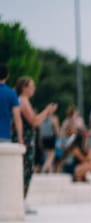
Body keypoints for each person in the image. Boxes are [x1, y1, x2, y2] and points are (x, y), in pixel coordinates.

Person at [12, 77, 57, 214]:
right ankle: (21, 200)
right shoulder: (23, 101)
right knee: (26, 170)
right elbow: (34, 121)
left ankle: (21, 199)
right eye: (31, 86)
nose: (34, 89)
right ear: (24, 88)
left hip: (26, 139)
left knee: (26, 169)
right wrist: (46, 111)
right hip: (25, 140)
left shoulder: (22, 100)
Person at [0, 64, 23, 143]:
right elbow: (17, 118)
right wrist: (20, 138)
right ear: (7, 76)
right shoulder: (12, 93)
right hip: (4, 135)